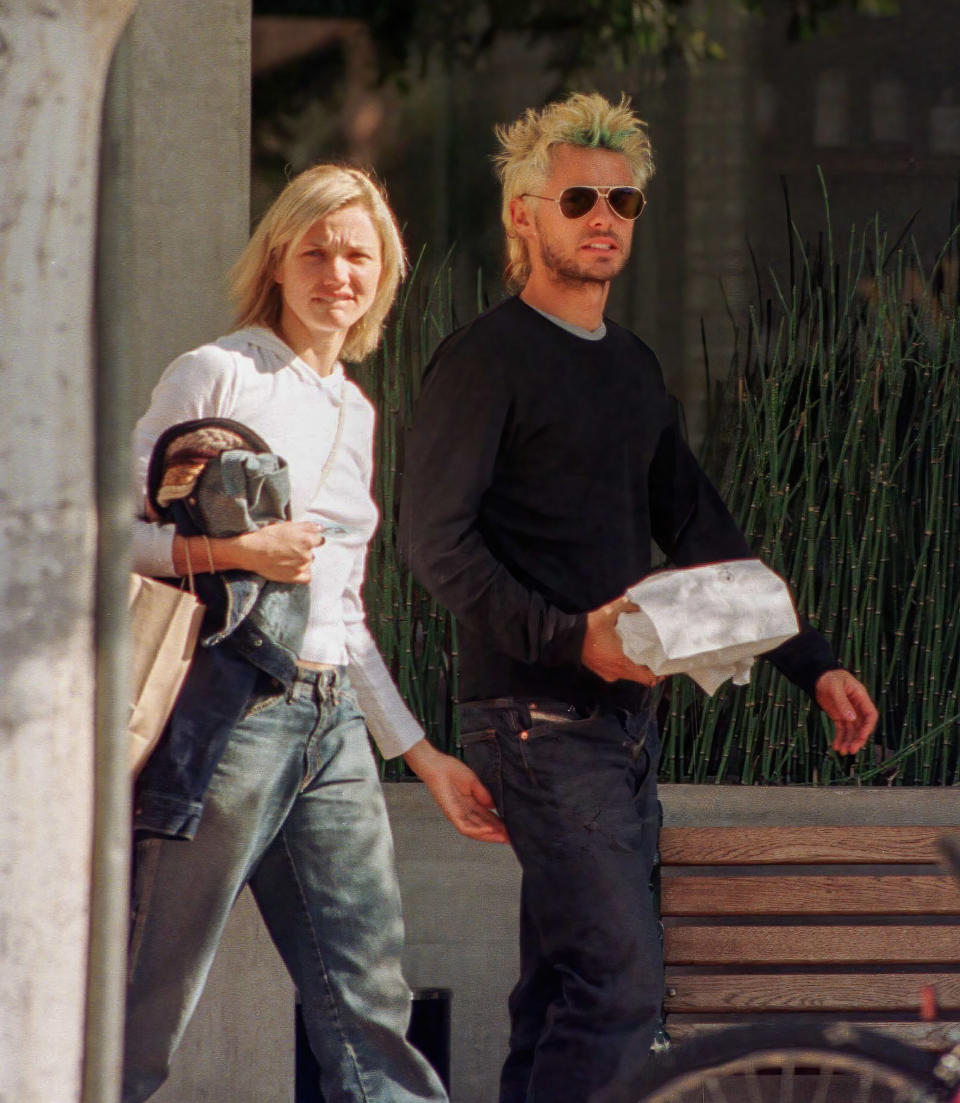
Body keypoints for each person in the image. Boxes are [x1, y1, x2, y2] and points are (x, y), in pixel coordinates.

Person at [399, 93, 878, 1103]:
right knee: (619, 983)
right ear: (524, 215)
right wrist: (573, 638)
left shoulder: (632, 367)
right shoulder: (485, 360)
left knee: (570, 985)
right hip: (531, 721)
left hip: (623, 729)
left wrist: (814, 659)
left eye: (624, 200)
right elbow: (432, 542)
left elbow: (700, 530)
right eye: (579, 197)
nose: (605, 215)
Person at [123, 163, 507, 1103]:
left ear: (386, 273)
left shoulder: (357, 409)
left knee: (371, 1003)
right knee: (143, 1003)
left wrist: (417, 753)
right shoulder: (219, 370)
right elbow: (97, 533)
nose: (339, 271)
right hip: (228, 714)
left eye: (359, 254)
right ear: (279, 261)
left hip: (331, 727)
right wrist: (239, 550)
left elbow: (345, 607)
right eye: (318, 250)